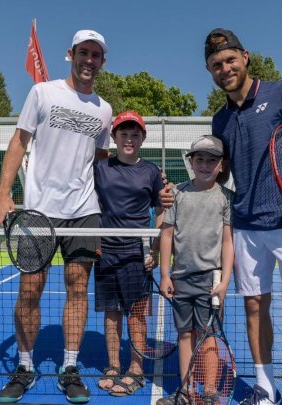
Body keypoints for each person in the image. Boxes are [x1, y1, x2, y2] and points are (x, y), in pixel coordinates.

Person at [204, 29, 282, 405]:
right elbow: (224, 173)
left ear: (245, 57)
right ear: (210, 71)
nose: (225, 68)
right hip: (245, 227)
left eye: (230, 60)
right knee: (254, 308)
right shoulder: (219, 120)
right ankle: (266, 389)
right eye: (215, 65)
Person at [0, 29, 112, 404]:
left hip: (84, 212)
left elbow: (102, 161)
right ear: (70, 54)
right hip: (38, 212)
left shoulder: (104, 110)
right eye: (83, 52)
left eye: (96, 55)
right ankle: (25, 367)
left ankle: (70, 367)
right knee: (31, 289)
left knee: (78, 287)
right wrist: (3, 193)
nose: (89, 60)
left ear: (102, 61)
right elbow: (19, 141)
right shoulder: (42, 93)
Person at [156, 135, 234, 405]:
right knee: (184, 335)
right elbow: (166, 235)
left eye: (211, 160)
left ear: (221, 165)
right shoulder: (177, 194)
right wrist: (165, 274)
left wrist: (224, 281)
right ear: (191, 163)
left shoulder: (226, 198)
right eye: (199, 159)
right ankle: (187, 390)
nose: (204, 165)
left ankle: (210, 392)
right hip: (180, 279)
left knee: (209, 335)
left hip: (210, 281)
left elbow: (228, 241)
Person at [92, 110, 165, 397]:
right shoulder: (100, 168)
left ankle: (136, 370)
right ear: (114, 137)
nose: (129, 139)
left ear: (143, 138)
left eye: (135, 134)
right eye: (124, 133)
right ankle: (113, 365)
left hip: (137, 254)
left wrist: (156, 249)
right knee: (111, 313)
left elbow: (162, 210)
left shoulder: (152, 172)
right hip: (105, 251)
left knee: (136, 315)